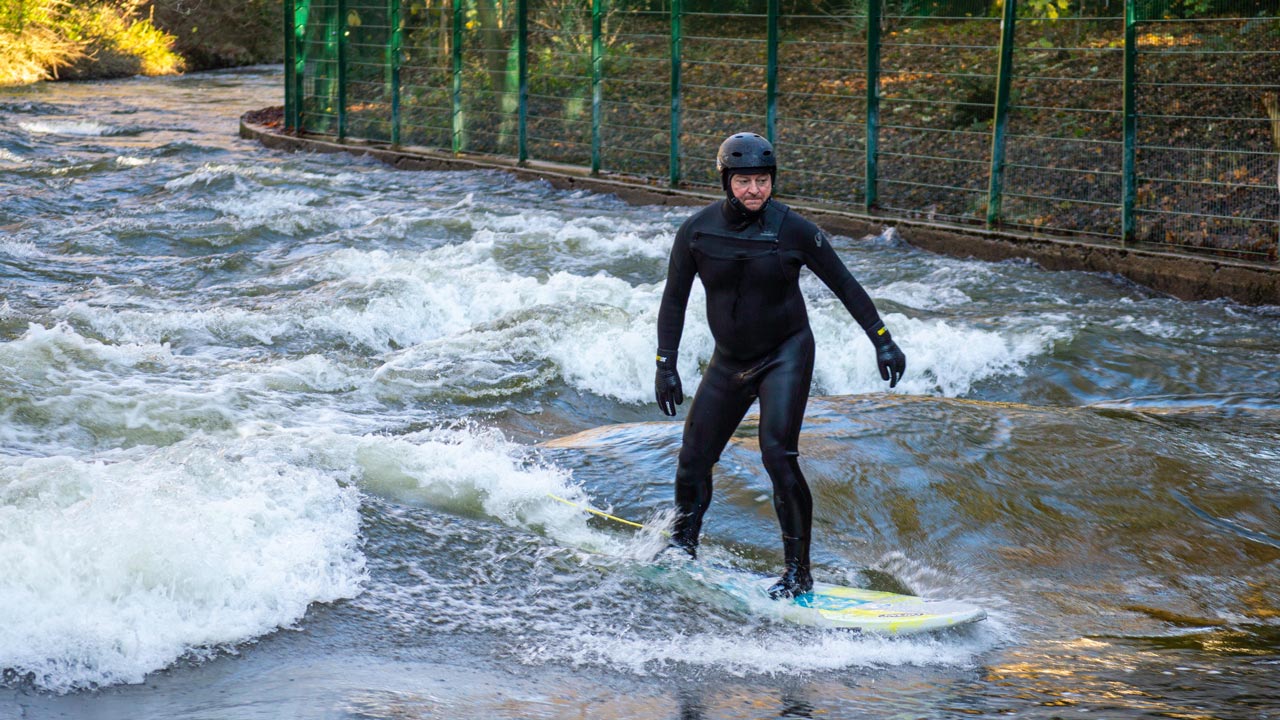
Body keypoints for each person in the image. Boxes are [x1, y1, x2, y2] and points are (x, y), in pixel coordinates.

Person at [653, 131, 906, 599]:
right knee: (692, 460)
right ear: (727, 180)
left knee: (777, 454)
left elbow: (845, 285)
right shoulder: (697, 231)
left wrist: (883, 341)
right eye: (745, 181)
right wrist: (665, 364)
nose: (755, 190)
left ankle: (798, 572)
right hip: (729, 361)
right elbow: (673, 300)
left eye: (763, 181)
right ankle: (683, 547)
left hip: (785, 354)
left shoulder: (795, 230)